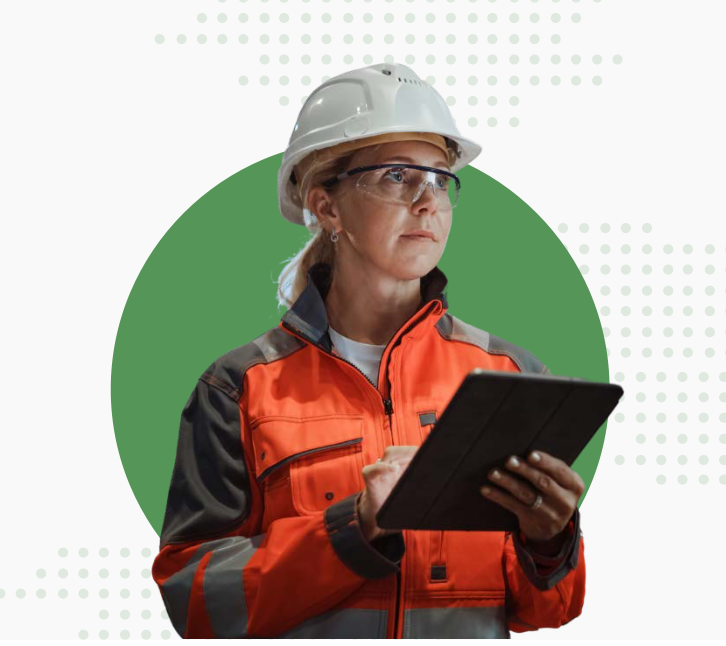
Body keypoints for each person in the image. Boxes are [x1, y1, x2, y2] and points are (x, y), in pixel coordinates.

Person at [152, 62, 586, 639]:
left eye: (439, 180)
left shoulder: (511, 375)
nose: (428, 202)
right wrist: (353, 528)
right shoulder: (239, 388)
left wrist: (551, 542)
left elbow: (547, 609)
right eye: (398, 176)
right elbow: (194, 601)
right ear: (327, 206)